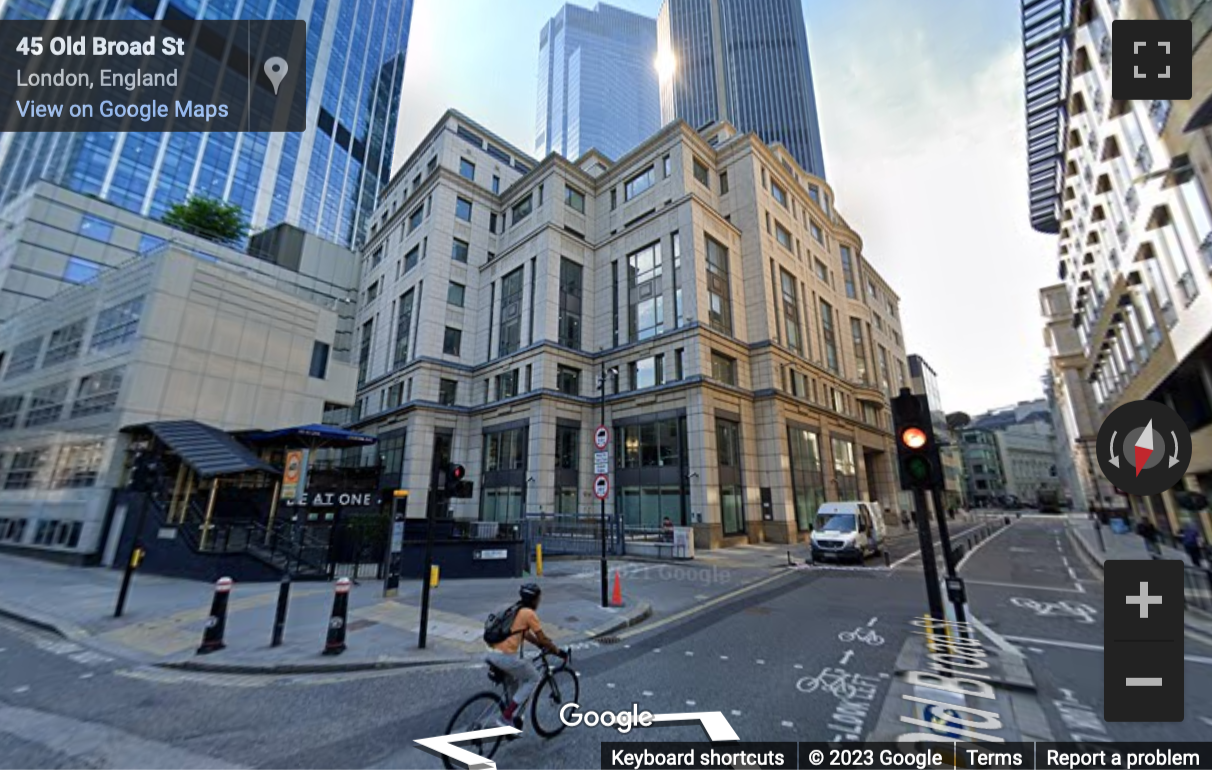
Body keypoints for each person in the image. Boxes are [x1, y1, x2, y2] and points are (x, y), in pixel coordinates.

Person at [486, 583, 567, 729]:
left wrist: (537, 644)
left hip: (491, 653)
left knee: (515, 686)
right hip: (505, 658)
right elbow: (543, 638)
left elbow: (523, 633)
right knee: (534, 678)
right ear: (534, 599)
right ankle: (506, 717)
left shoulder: (516, 609)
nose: (539, 601)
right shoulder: (529, 614)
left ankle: (510, 722)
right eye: (538, 598)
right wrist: (557, 651)